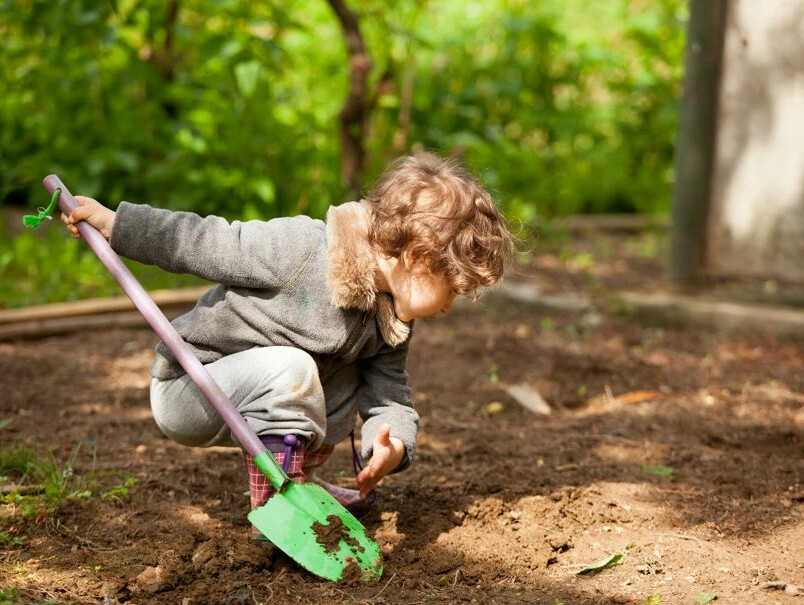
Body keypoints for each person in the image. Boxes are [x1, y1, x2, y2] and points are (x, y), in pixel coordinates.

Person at [61, 151, 513, 540]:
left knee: (337, 372)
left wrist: (391, 444)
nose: (450, 307)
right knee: (295, 368)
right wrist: (118, 223)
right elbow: (206, 240)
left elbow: (391, 394)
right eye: (451, 289)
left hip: (256, 400)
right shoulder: (300, 250)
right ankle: (275, 508)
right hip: (193, 386)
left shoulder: (389, 319)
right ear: (416, 258)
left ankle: (300, 482)